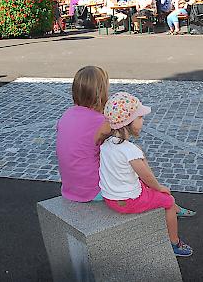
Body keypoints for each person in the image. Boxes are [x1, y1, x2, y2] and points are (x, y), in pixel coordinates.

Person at [100, 92, 194, 257]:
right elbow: (148, 178)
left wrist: (139, 155)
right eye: (140, 118)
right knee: (168, 200)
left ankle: (176, 210)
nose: (143, 121)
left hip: (110, 198)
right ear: (128, 122)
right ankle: (174, 243)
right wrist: (161, 188)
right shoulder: (130, 150)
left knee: (149, 189)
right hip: (128, 202)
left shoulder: (106, 144)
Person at [56, 66, 111, 202]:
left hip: (70, 188)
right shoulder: (102, 122)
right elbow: (114, 154)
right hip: (94, 190)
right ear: (102, 91)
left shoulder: (66, 115)